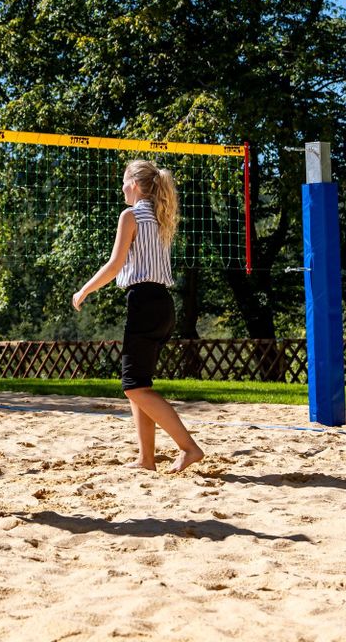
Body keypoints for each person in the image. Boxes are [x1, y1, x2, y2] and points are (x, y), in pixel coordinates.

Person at [72, 160, 204, 472]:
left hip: (144, 303)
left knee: (133, 386)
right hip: (163, 305)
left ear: (133, 183)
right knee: (139, 385)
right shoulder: (161, 216)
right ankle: (146, 459)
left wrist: (85, 290)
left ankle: (189, 448)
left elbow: (115, 265)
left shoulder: (130, 215)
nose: (121, 188)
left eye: (123, 181)